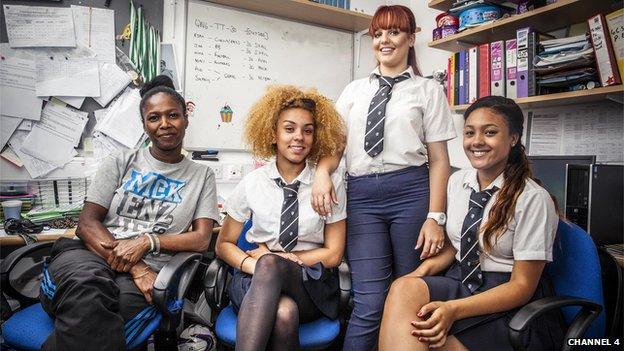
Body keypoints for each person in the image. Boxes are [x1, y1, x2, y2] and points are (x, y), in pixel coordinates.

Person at [310, 5, 456, 349]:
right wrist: (321, 171)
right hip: (361, 197)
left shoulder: (428, 90)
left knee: (410, 296)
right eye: (377, 34)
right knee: (370, 302)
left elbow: (439, 160)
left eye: (393, 32)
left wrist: (435, 217)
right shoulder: (353, 91)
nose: (384, 40)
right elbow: (337, 146)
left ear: (410, 37)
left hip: (411, 193)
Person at [39, 76, 219, 350]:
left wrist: (147, 241)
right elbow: (87, 224)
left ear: (186, 119)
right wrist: (136, 266)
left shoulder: (202, 174)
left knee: (102, 314)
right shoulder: (121, 161)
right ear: (145, 125)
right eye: (154, 118)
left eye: (173, 115)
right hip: (90, 257)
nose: (164, 124)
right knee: (90, 291)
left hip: (151, 272)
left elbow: (202, 239)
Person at [379, 96, 565, 351]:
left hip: (506, 301)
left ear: (513, 138)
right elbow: (458, 246)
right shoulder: (458, 182)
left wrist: (453, 309)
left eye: (489, 132)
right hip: (463, 282)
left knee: (424, 339)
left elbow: (522, 287)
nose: (477, 141)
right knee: (402, 289)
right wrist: (418, 274)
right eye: (469, 132)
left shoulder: (532, 199)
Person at [215, 85, 347, 351]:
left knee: (271, 266)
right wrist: (255, 264)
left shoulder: (329, 184)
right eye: (289, 129)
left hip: (310, 282)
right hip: (254, 279)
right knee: (284, 312)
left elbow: (333, 255)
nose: (299, 137)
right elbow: (223, 244)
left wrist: (274, 259)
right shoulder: (253, 183)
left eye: (307, 130)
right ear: (272, 133)